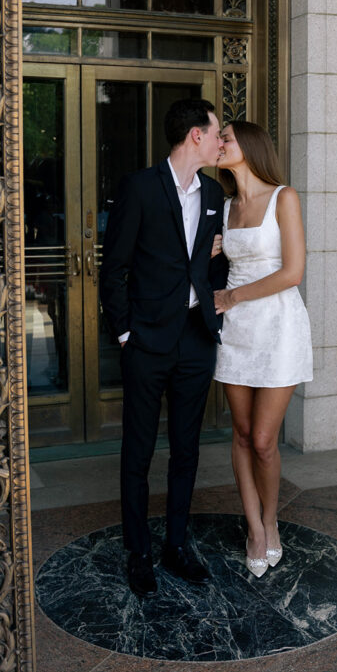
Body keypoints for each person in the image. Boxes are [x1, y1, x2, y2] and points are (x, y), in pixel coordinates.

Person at [100, 98, 228, 597]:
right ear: (195, 135)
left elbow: (212, 270)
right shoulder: (140, 187)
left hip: (196, 341)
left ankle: (176, 545)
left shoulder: (215, 193)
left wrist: (214, 262)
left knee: (187, 450)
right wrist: (127, 333)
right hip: (147, 342)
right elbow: (114, 269)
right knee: (138, 452)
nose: (221, 142)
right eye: (217, 133)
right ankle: (139, 553)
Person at [213, 120, 313, 578]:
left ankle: (272, 519)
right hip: (235, 333)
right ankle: (254, 527)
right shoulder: (227, 206)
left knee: (263, 440)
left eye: (226, 138)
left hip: (278, 327)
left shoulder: (283, 197)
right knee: (240, 432)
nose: (219, 144)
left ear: (248, 146)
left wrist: (231, 298)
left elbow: (293, 272)